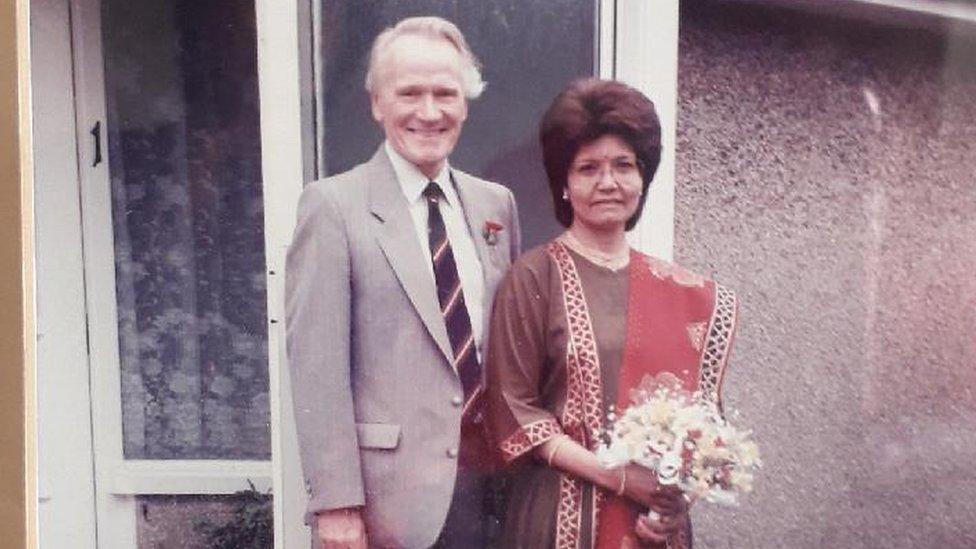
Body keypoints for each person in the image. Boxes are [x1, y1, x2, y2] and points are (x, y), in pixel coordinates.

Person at [285, 16, 520, 549]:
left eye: (445, 93)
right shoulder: (333, 207)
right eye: (409, 93)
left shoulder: (494, 206)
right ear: (377, 103)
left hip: (494, 491)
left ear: (466, 102)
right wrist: (336, 504)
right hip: (389, 504)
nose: (429, 112)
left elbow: (509, 344)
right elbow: (316, 370)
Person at [486, 78, 738, 549]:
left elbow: (703, 437)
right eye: (588, 168)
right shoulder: (533, 277)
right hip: (558, 519)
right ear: (564, 183)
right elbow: (515, 411)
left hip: (651, 528)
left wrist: (674, 505)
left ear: (643, 178)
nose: (608, 182)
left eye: (624, 165)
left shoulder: (686, 295)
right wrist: (618, 477)